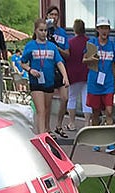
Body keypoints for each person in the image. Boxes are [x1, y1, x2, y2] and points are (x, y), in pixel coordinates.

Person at [21, 18, 69, 135]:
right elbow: (23, 62)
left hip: (49, 81)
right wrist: (30, 70)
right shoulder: (30, 45)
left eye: (45, 30)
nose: (43, 33)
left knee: (47, 109)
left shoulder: (52, 46)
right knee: (41, 110)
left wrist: (65, 76)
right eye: (41, 30)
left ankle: (45, 131)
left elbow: (59, 62)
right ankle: (41, 135)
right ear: (36, 31)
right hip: (36, 82)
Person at [84, 16, 115, 151]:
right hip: (94, 83)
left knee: (109, 112)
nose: (104, 31)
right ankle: (97, 140)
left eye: (106, 28)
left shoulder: (112, 45)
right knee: (96, 113)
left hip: (108, 83)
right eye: (102, 28)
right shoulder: (92, 43)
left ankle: (110, 143)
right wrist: (91, 59)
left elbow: (114, 65)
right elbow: (84, 60)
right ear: (97, 29)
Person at [45, 5, 70, 137]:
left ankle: (59, 125)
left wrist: (57, 48)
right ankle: (47, 128)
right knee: (48, 101)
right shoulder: (44, 30)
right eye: (52, 15)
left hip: (60, 67)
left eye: (56, 15)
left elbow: (67, 53)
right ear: (47, 16)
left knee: (64, 98)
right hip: (48, 68)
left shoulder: (62, 33)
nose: (54, 17)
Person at [66, 19, 93, 131]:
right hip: (86, 73)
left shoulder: (70, 43)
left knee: (72, 98)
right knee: (86, 99)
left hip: (72, 74)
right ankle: (87, 123)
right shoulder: (89, 42)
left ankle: (72, 123)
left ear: (74, 29)